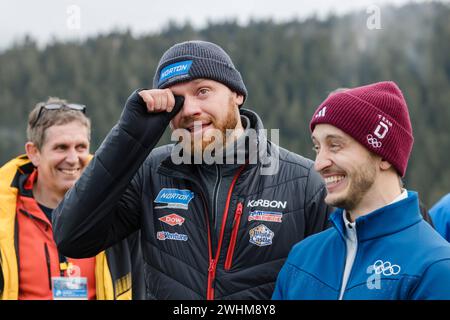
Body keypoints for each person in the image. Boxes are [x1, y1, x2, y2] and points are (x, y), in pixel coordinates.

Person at [52, 40, 332, 300]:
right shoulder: (152, 171)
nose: (190, 110)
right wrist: (130, 138)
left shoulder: (304, 180)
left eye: (203, 91)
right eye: (177, 99)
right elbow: (72, 238)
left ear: (237, 94)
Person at [272, 81, 450, 300]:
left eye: (335, 145)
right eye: (317, 147)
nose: (318, 163)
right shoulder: (302, 258)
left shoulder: (435, 267)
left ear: (384, 156)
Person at [0, 98, 144, 300]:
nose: (72, 158)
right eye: (61, 147)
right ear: (34, 153)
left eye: (81, 147)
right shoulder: (4, 215)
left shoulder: (116, 207)